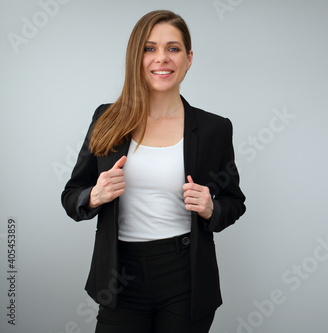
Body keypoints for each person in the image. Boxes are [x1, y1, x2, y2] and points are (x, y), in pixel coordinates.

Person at [61, 10, 246, 332]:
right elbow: (71, 197)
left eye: (173, 48)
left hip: (186, 275)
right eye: (150, 48)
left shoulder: (215, 128)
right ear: (137, 57)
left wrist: (211, 208)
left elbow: (234, 201)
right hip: (120, 275)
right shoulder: (107, 118)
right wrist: (94, 195)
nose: (162, 58)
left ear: (188, 58)